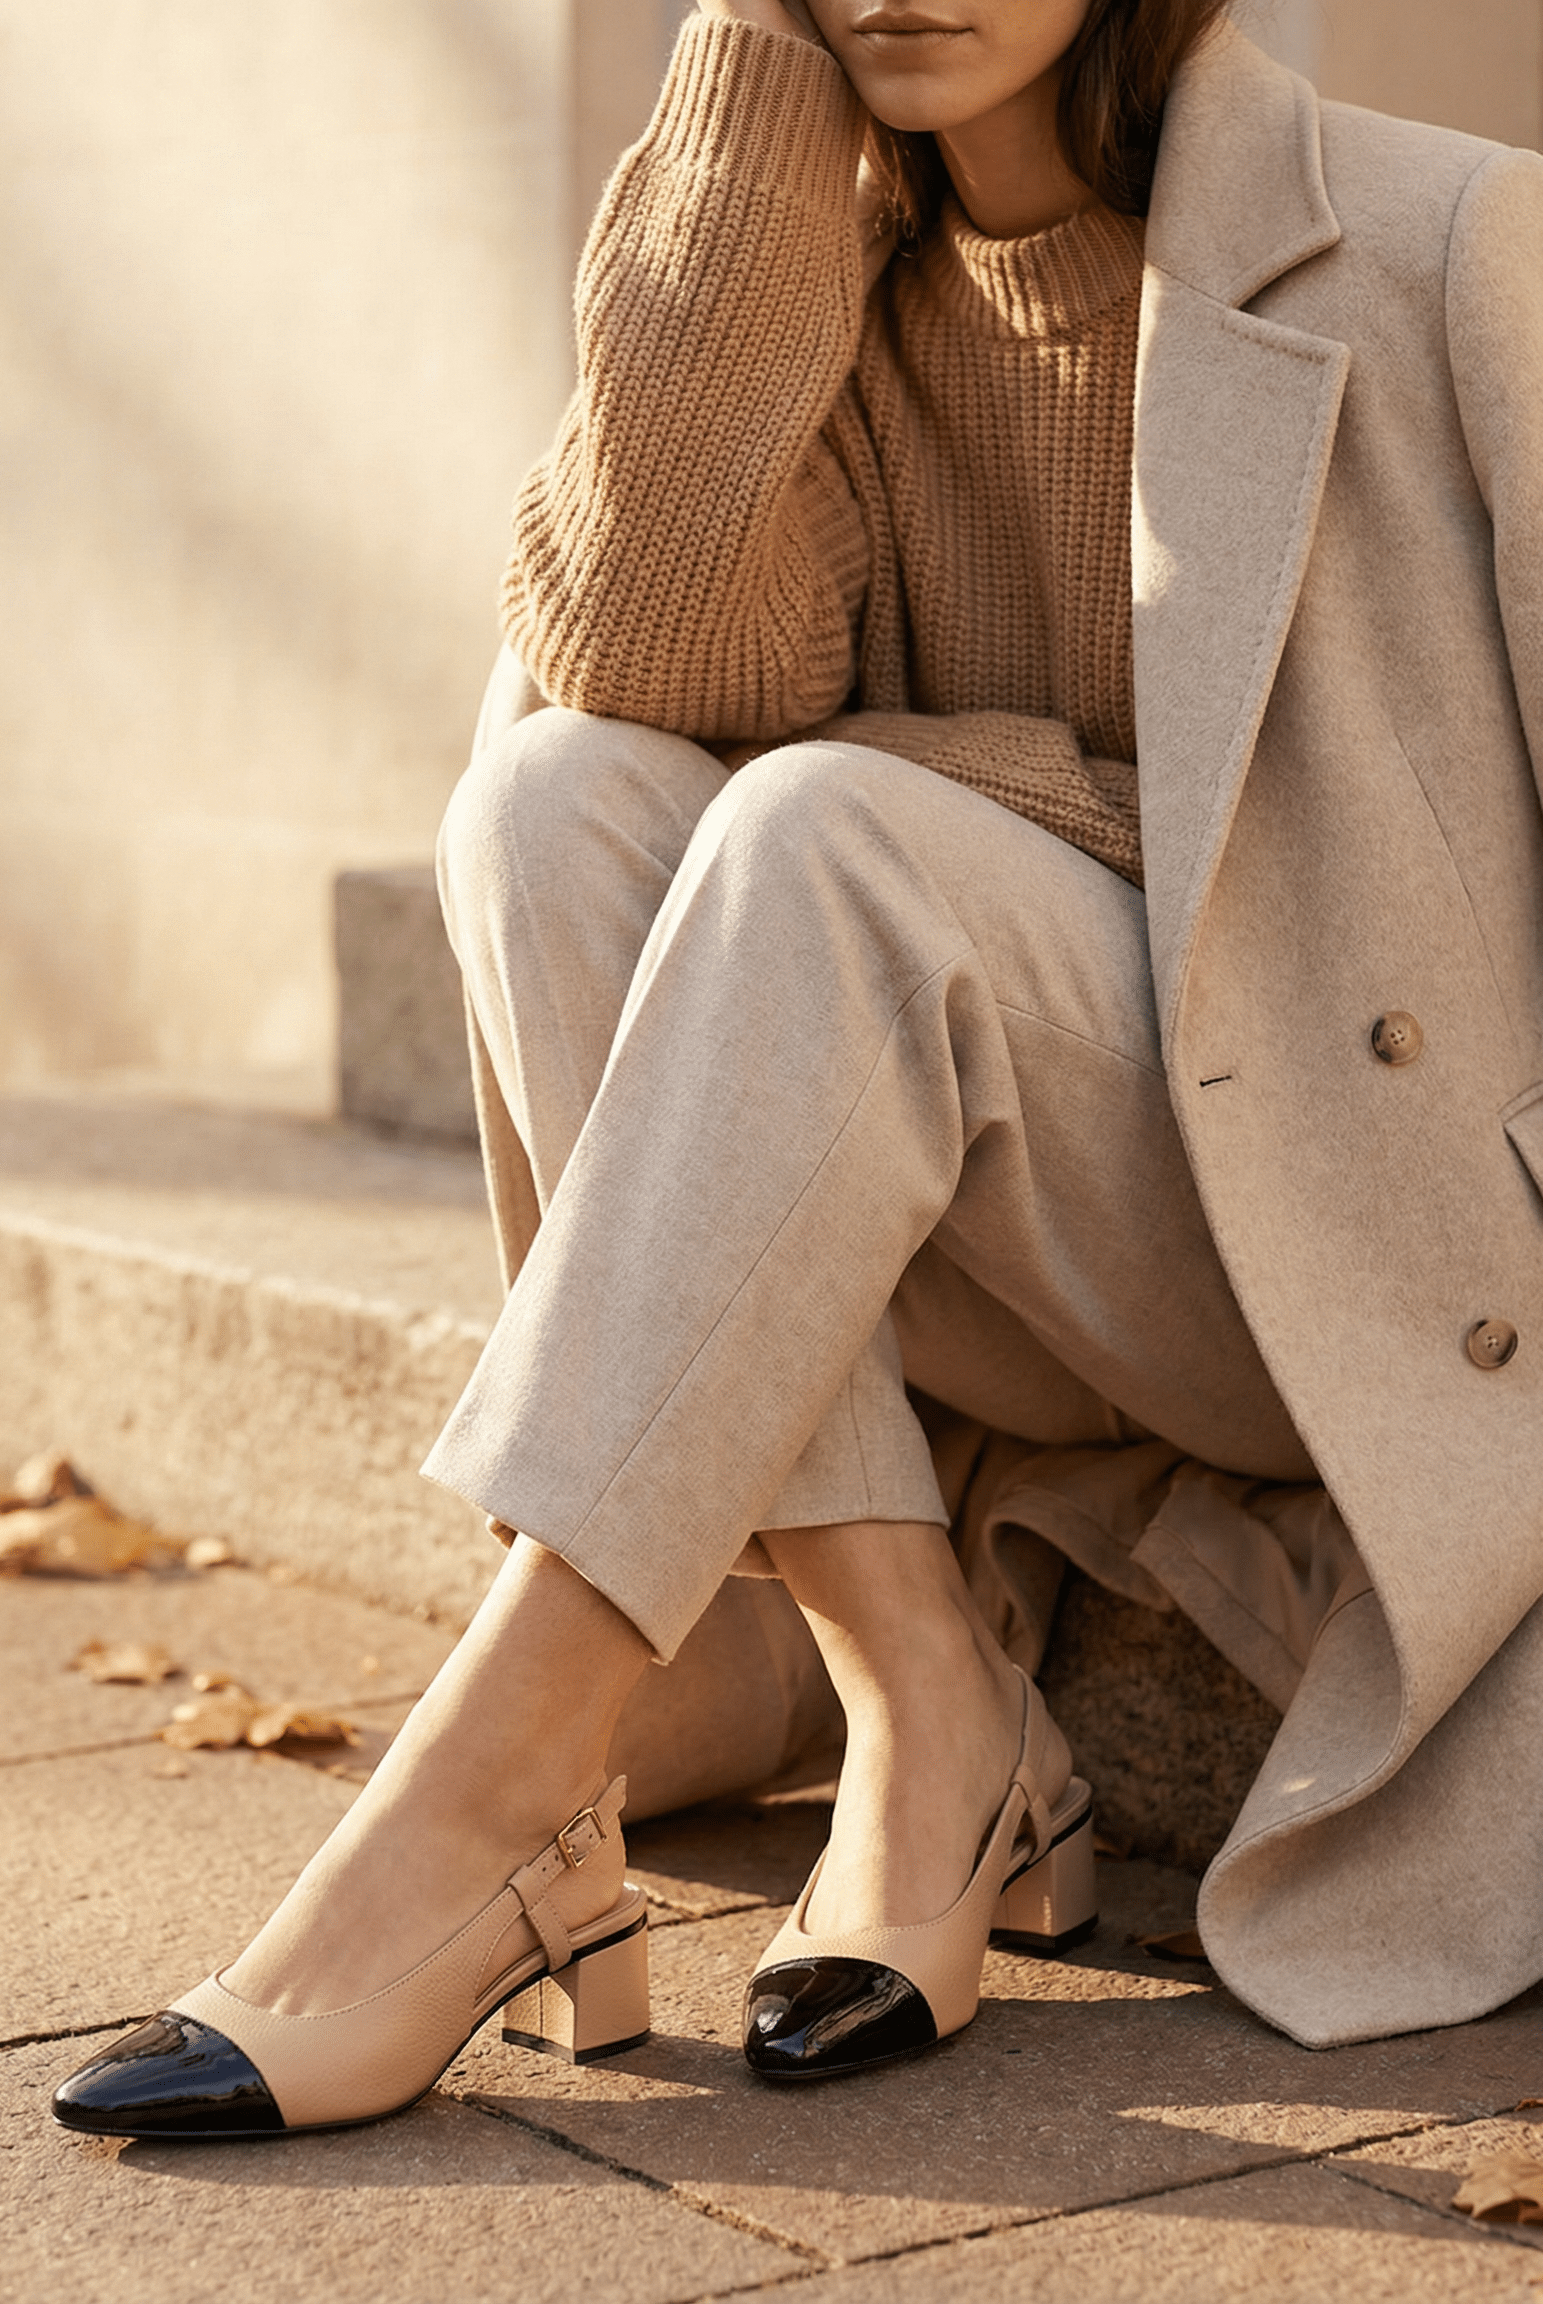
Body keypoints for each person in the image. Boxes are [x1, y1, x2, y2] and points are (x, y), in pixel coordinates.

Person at [53, 0, 1543, 2137]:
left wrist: (961, 782)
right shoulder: (815, 267)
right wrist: (749, 76)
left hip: (1338, 1236)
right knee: (550, 801)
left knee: (821, 827)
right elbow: (632, 658)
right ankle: (926, 1700)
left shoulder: (1447, 236)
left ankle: (488, 1803)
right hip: (997, 1226)